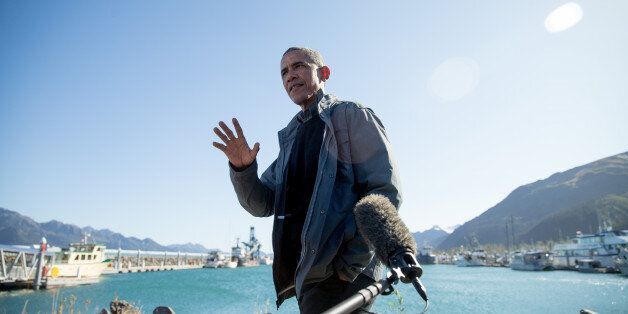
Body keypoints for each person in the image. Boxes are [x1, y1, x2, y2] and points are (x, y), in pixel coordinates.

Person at [212, 47, 401, 313]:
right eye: (284, 72)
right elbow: (262, 204)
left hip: (343, 272)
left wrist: (350, 264)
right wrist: (243, 170)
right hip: (309, 275)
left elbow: (383, 192)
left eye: (298, 66)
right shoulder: (291, 138)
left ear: (324, 73)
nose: (290, 76)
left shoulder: (352, 116)